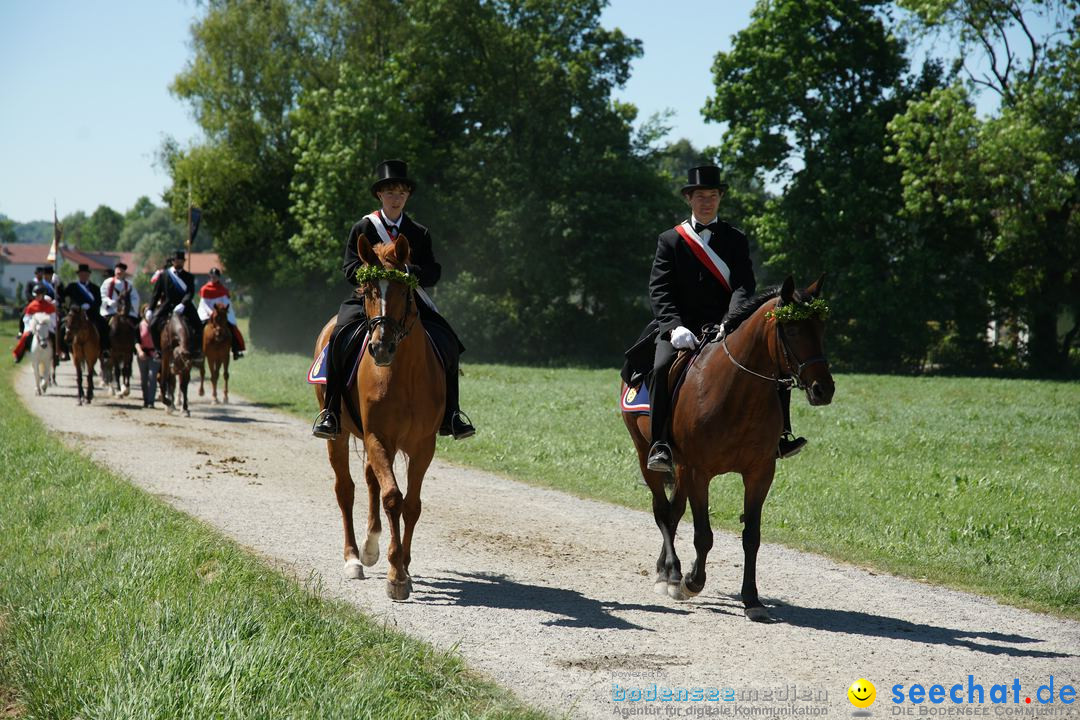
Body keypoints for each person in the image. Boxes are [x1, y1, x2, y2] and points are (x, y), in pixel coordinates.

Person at [625, 165, 805, 474]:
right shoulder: (670, 240)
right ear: (689, 199)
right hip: (680, 327)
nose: (706, 202)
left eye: (712, 195)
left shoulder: (735, 238)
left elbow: (743, 285)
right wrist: (674, 326)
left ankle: (780, 436)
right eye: (700, 196)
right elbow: (660, 290)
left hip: (726, 324)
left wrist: (731, 321)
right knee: (660, 366)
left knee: (776, 363)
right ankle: (662, 446)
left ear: (720, 198)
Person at [312, 159, 475, 441]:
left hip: (409, 299)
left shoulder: (419, 233)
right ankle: (331, 412)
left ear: (408, 196)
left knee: (448, 340)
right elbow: (349, 268)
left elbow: (434, 271)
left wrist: (410, 271)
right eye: (390, 192)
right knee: (338, 336)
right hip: (370, 298)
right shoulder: (362, 227)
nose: (396, 198)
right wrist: (373, 273)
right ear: (380, 195)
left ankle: (452, 414)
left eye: (401, 192)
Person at [149, 250, 202, 360]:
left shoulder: (189, 276)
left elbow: (190, 292)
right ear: (173, 261)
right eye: (177, 260)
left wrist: (183, 304)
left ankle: (197, 350)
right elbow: (156, 293)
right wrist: (150, 309)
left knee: (198, 325)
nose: (179, 262)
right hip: (168, 304)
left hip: (184, 305)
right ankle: (158, 351)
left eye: (181, 261)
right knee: (153, 324)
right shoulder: (164, 275)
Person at [62, 263, 109, 358]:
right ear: (78, 275)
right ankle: (64, 350)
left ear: (88, 275)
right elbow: (63, 296)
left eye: (85, 274)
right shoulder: (72, 287)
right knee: (62, 326)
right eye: (81, 274)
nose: (83, 276)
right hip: (75, 313)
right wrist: (58, 285)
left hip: (91, 313)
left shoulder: (95, 288)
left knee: (104, 325)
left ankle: (105, 348)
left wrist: (90, 307)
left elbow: (99, 301)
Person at [197, 268, 246, 360]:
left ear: (218, 277)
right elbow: (204, 303)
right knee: (199, 328)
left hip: (220, 313)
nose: (213, 278)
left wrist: (221, 311)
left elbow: (226, 302)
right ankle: (198, 350)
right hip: (207, 313)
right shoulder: (205, 289)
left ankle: (236, 349)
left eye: (215, 277)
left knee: (231, 328)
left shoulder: (223, 290)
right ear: (209, 277)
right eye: (212, 276)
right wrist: (211, 313)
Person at [12, 284, 58, 363]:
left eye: (39, 295)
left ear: (43, 295)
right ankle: (19, 354)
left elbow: (53, 317)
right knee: (25, 337)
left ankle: (55, 356)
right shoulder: (31, 306)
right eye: (36, 295)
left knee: (54, 337)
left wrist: (49, 324)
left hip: (46, 326)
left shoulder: (49, 306)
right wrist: (32, 324)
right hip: (34, 326)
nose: (37, 296)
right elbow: (26, 318)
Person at [134, 303, 159, 408]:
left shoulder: (157, 326)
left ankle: (151, 401)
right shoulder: (139, 326)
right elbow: (136, 341)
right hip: (143, 354)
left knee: (152, 376)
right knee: (144, 379)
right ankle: (145, 398)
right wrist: (139, 351)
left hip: (154, 355)